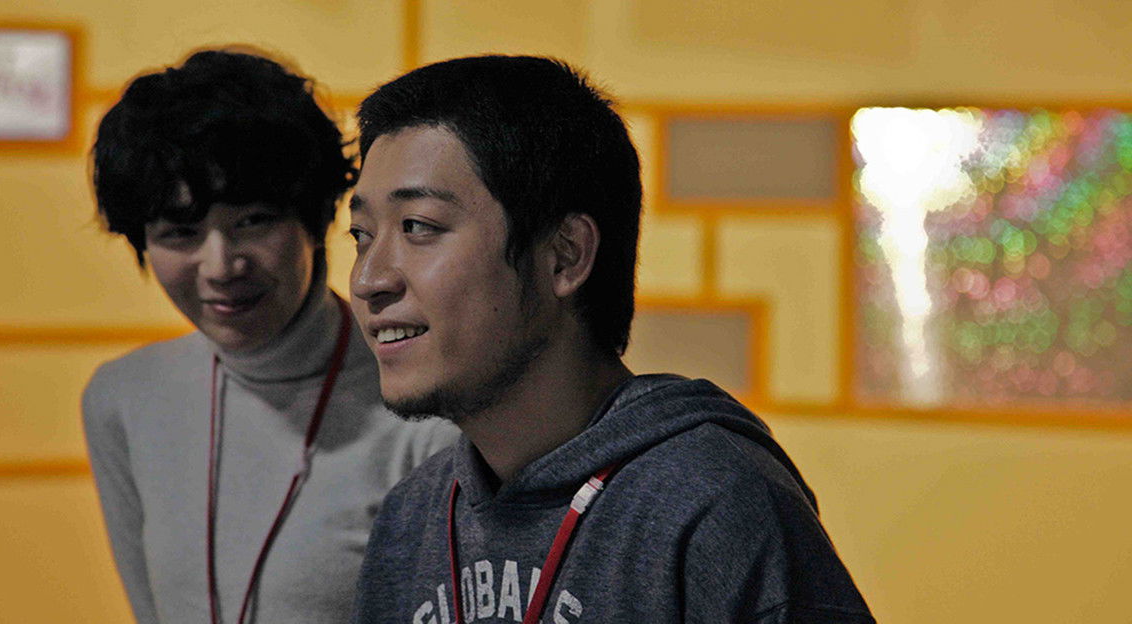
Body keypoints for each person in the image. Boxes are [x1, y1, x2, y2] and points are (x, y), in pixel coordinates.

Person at [346, 55, 874, 623]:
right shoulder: (412, 519)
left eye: (418, 227)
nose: (368, 280)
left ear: (565, 255)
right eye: (361, 234)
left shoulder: (713, 505)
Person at [82, 48, 454, 624]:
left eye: (253, 221)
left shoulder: (427, 409)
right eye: (180, 232)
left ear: (316, 217)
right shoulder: (124, 399)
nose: (221, 266)